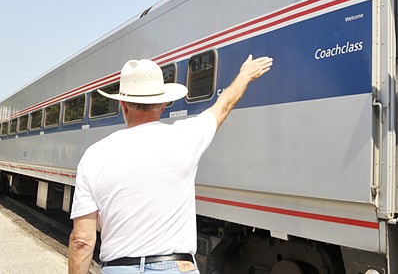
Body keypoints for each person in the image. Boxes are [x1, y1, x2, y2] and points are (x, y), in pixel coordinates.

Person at [68, 55, 273, 274]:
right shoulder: (184, 137)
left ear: (123, 105)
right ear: (163, 103)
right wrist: (245, 75)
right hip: (177, 267)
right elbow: (224, 105)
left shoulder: (94, 156)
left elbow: (82, 241)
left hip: (119, 269)